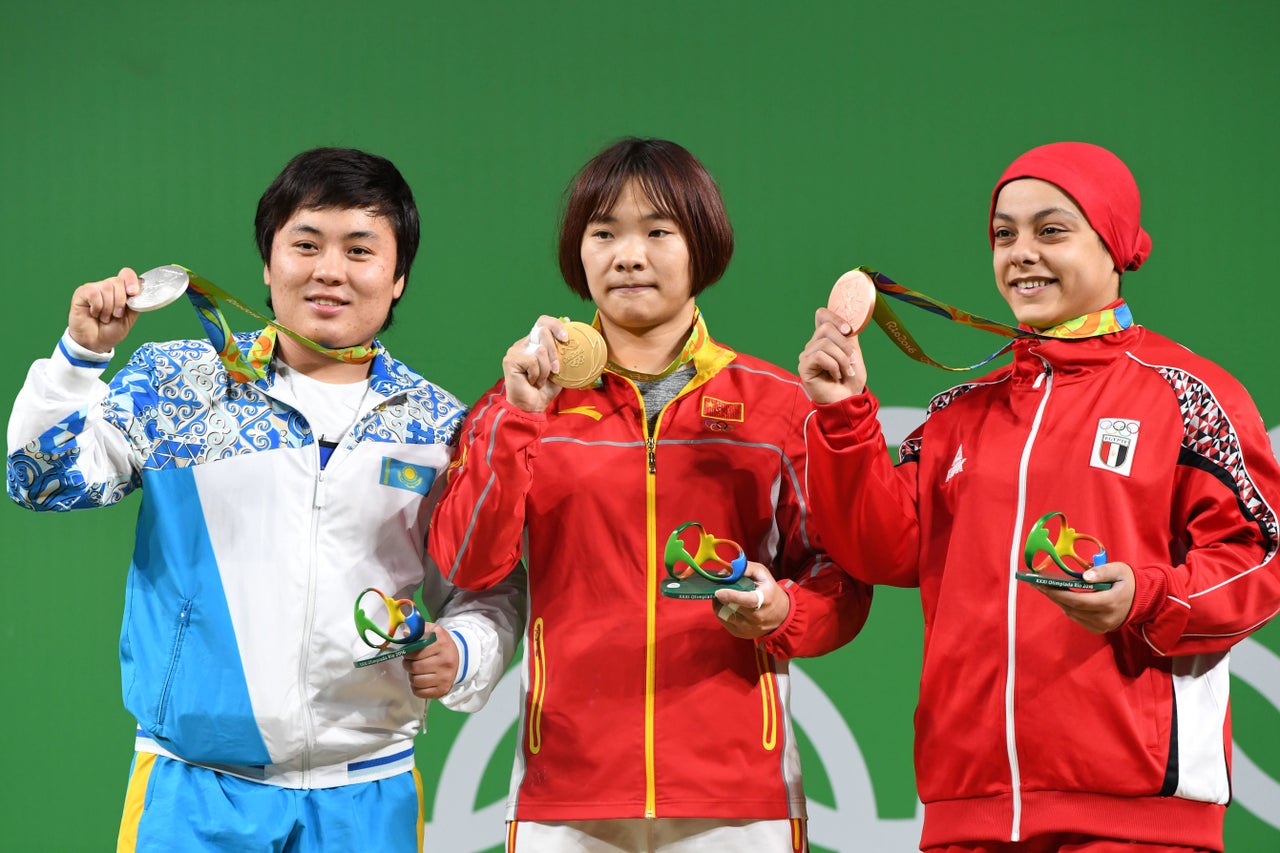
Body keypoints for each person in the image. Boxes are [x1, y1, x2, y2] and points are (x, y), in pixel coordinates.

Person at [6, 147, 525, 852]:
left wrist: (463, 650)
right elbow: (37, 479)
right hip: (193, 790)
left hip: (366, 792)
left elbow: (485, 585)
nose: (329, 270)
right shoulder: (177, 383)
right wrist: (79, 358)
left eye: (360, 249)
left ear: (398, 277)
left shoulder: (440, 428)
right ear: (267, 262)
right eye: (305, 244)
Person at [799, 141, 1280, 853]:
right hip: (971, 811)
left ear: (1113, 243)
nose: (1021, 252)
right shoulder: (960, 413)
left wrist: (1147, 597)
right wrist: (842, 413)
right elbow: (879, 548)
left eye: (1051, 230)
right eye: (1004, 234)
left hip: (1136, 817)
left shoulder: (1185, 394)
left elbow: (1259, 559)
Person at [427, 137, 873, 852]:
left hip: (737, 799)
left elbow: (843, 580)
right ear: (580, 252)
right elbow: (468, 565)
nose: (627, 255)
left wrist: (784, 610)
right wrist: (518, 420)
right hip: (565, 796)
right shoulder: (518, 405)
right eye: (604, 232)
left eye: (657, 231)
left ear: (702, 246)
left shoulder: (777, 408)